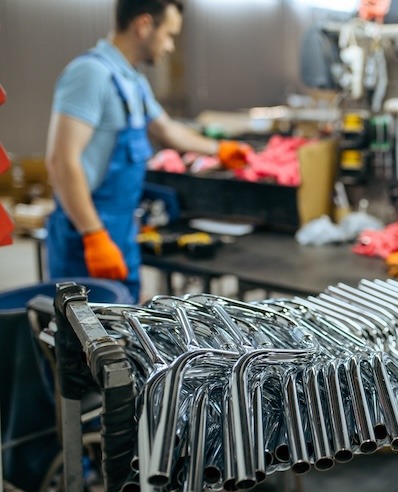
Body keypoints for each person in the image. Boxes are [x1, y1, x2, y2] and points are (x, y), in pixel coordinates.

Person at [45, 0, 249, 301]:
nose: (169, 46)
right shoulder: (90, 74)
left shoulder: (133, 82)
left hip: (122, 230)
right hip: (85, 236)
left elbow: (165, 130)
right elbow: (61, 160)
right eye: (168, 34)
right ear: (143, 26)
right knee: (85, 341)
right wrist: (93, 234)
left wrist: (218, 150)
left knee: (123, 334)